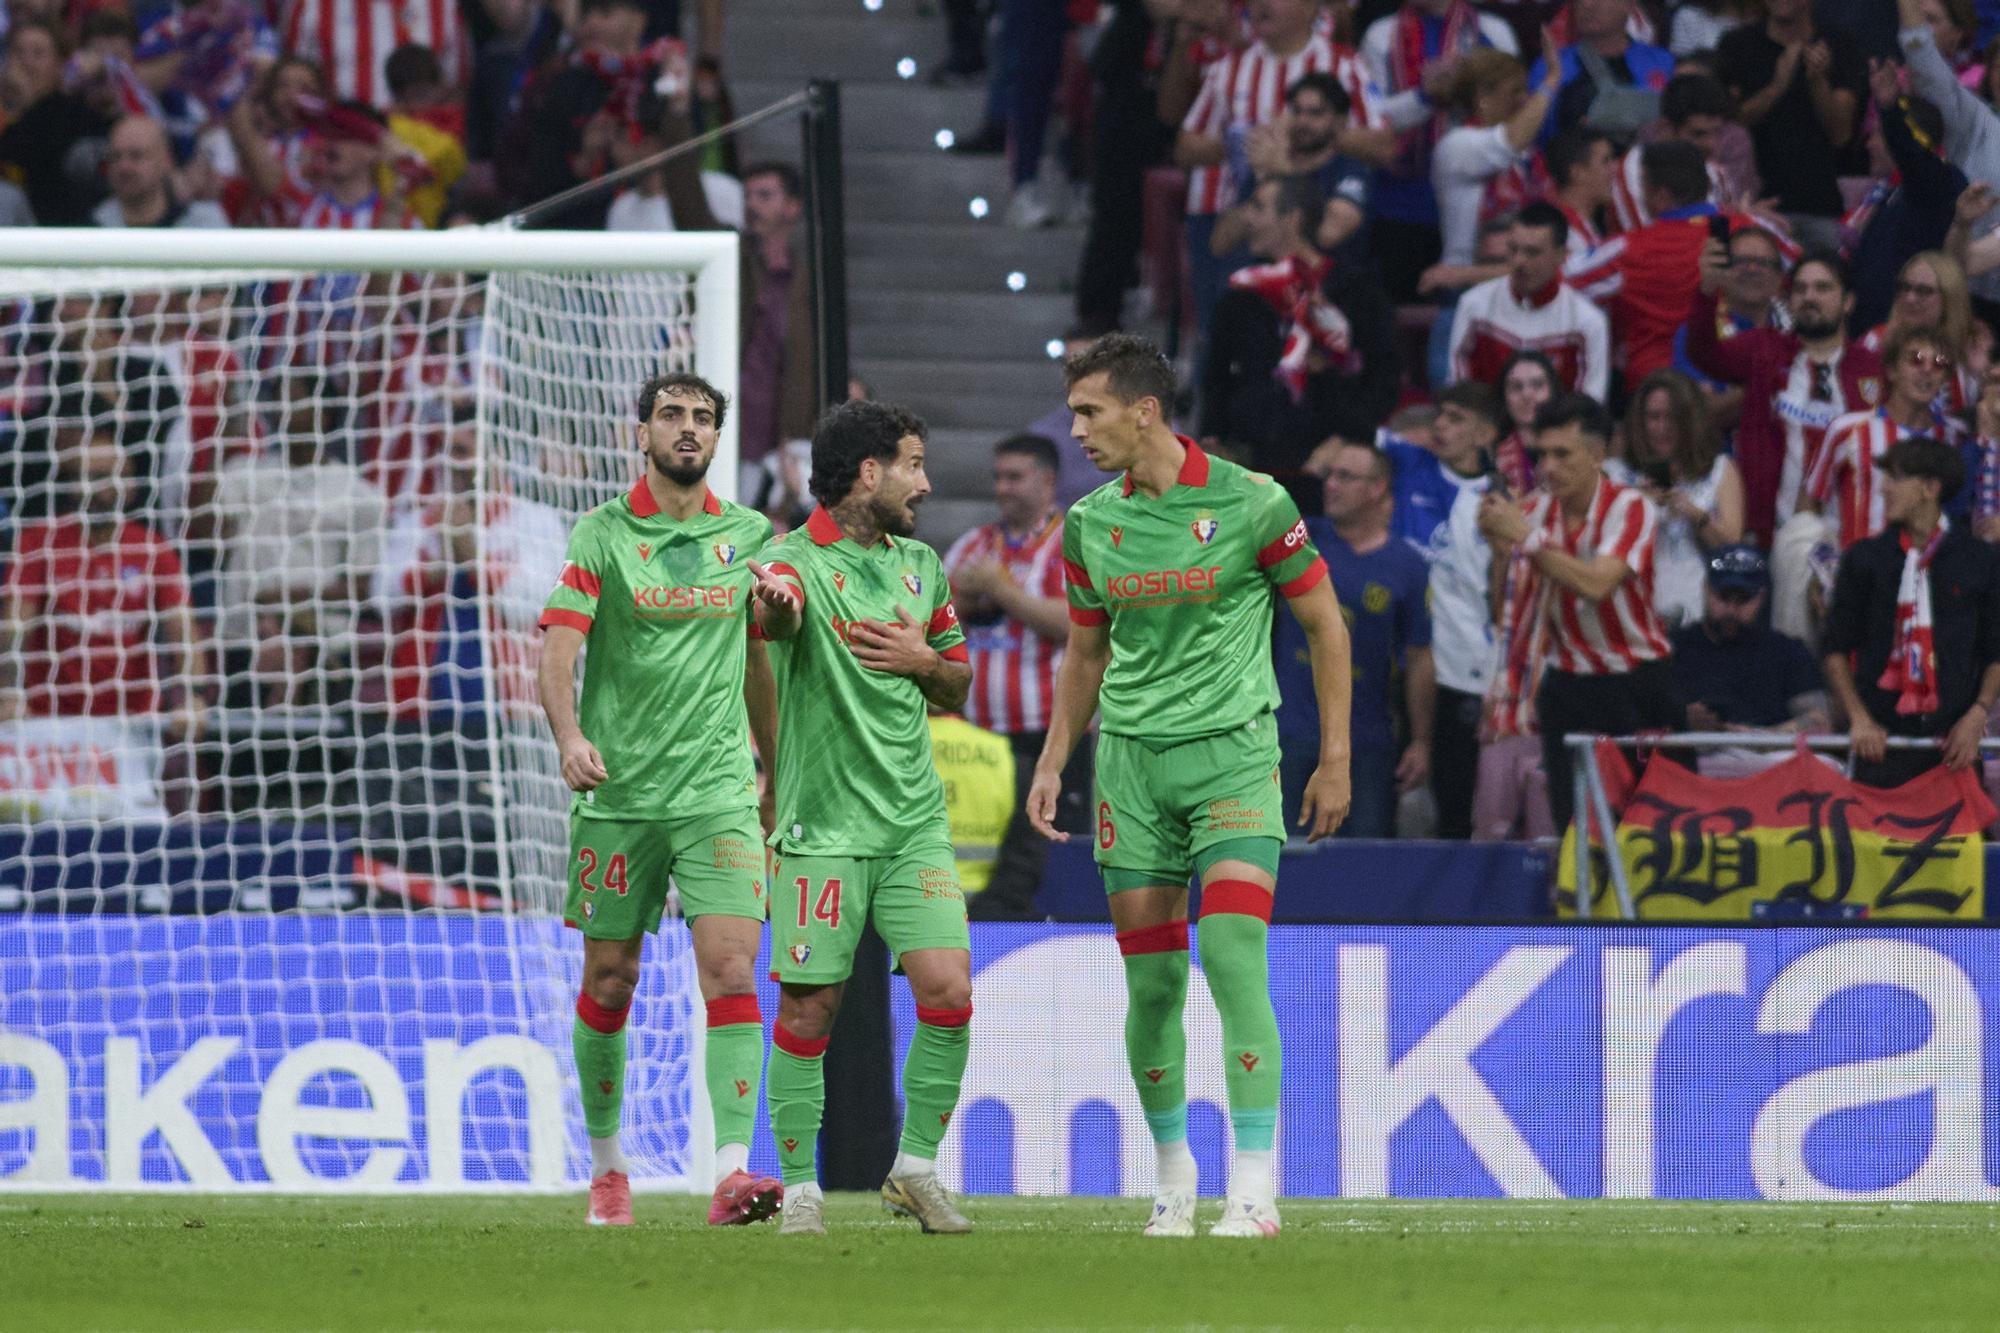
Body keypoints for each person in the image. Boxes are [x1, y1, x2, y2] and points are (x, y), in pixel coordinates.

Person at [1028, 333, 1351, 1237]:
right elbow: (1085, 652)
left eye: (1089, 412)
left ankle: (1254, 1184)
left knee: (1232, 952)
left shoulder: (1253, 502)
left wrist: (1335, 757)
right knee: (1155, 984)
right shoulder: (1091, 523)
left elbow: (1326, 626)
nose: (1077, 431)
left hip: (1235, 760)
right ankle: (1174, 1173)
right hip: (1130, 767)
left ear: (1145, 410)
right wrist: (1055, 759)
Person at [536, 373, 782, 1230]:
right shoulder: (602, 534)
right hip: (619, 796)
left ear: (717, 438)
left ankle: (729, 1171)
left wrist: (776, 772)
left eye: (703, 418)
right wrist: (570, 736)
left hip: (716, 793)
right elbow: (560, 648)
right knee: (612, 977)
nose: (688, 429)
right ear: (639, 432)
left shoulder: (749, 535)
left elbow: (760, 661)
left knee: (731, 970)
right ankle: (609, 1170)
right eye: (672, 415)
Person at [745, 399, 976, 1238]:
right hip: (823, 829)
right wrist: (774, 609)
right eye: (913, 464)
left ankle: (914, 1169)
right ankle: (801, 1188)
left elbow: (957, 681)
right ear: (870, 473)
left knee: (949, 993)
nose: (926, 482)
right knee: (810, 1011)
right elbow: (779, 615)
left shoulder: (921, 564)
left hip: (913, 824)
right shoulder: (791, 561)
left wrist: (926, 661)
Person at [1478, 394, 1678, 832]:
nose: (1547, 466)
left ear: (1597, 454)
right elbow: (1505, 612)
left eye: (1561, 453)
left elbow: (1596, 584)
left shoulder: (1631, 507)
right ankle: (1580, 901)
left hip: (1639, 682)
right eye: (1541, 454)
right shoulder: (1532, 511)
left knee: (1658, 822)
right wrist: (1499, 552)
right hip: (1568, 686)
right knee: (1573, 824)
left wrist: (1525, 541)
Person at [1175, 0, 1388, 336]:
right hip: (1243, 217)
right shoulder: (1228, 67)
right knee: (1223, 329)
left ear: (1309, 8)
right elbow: (1185, 145)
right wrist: (1242, 144)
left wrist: (1305, 139)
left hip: (1316, 220)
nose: (1260, 5)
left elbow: (1383, 143)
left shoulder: (1345, 65)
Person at [941, 433, 1079, 919]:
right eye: (999, 477)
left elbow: (1078, 625)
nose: (1003, 488)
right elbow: (931, 619)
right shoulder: (974, 545)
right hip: (975, 736)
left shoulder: (1074, 543)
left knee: (1036, 854)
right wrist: (966, 602)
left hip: (1048, 735)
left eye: (1015, 477)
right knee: (979, 853)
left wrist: (1002, 591)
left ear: (1047, 481)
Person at [0, 430, 206, 742]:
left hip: (131, 728)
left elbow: (184, 631)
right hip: (50, 723)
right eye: (85, 477)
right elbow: (14, 626)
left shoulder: (153, 549)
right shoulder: (37, 543)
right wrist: (9, 691)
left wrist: (192, 696)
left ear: (130, 485)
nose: (95, 489)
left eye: (105, 477)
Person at [1199, 175, 1396, 498]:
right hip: (1249, 475)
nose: (1247, 218)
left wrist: (1349, 439)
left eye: (1258, 207)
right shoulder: (1241, 294)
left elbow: (1383, 380)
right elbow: (1216, 378)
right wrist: (1214, 439)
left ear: (1292, 219)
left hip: (1327, 476)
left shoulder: (1358, 293)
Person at [1823, 434, 2000, 788]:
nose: (1884, 488)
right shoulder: (1865, 559)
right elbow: (1834, 650)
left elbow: (1996, 651)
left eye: (1896, 478)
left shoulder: (1981, 560)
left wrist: (1977, 716)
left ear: (1930, 488)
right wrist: (1859, 719)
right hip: (1879, 749)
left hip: (1956, 751)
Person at [1685, 245, 1882, 560]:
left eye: (1823, 288)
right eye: (1800, 289)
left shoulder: (1872, 367)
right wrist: (1707, 292)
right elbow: (1705, 355)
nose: (1809, 297)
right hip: (1769, 536)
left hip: (1850, 539)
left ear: (1848, 301)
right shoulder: (1764, 348)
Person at [1279, 441, 1432, 838]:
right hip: (1285, 735)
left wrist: (1421, 741)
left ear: (1377, 488)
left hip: (1366, 743)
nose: (1330, 485)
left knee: (1364, 871)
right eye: (1330, 475)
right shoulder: (1298, 541)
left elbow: (1419, 658)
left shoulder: (1409, 566)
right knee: (1277, 860)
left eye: (1345, 477)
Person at [1356, 0, 1519, 301]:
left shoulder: (1494, 31)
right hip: (1399, 204)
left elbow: (1511, 110)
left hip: (1478, 206)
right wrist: (1425, 97)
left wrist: (1462, 89)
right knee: (1400, 314)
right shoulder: (1381, 34)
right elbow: (1372, 119)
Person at [1566, 139, 1731, 383]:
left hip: (1656, 389)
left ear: (1661, 196)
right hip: (1732, 377)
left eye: (1643, 186)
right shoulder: (1752, 229)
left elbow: (1559, 279)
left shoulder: (1629, 249)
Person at [1424, 383, 1507, 839]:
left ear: (1485, 433)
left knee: (1459, 804)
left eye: (1455, 418)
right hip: (1411, 662)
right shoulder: (1410, 471)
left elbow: (1502, 600)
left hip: (1467, 669)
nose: (1440, 424)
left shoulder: (1497, 502)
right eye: (1440, 414)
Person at [1717, 0, 1865, 251]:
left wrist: (1818, 82)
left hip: (1820, 206)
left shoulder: (1840, 45)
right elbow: (1725, 127)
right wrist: (1776, 87)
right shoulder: (1736, 44)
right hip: (1752, 206)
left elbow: (1840, 134)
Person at [1672, 545, 1828, 778]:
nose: (1732, 609)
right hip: (1696, 761)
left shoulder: (1786, 650)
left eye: (1744, 599)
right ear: (1705, 589)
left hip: (1770, 763)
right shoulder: (1673, 648)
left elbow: (1820, 722)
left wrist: (1745, 735)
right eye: (1723, 597)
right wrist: (1683, 720)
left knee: (1824, 767)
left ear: (1762, 596)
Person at [1607, 369, 1745, 629]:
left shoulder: (1719, 470)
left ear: (1690, 420)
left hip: (1696, 610)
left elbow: (1733, 553)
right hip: (1628, 607)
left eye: (1673, 418)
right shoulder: (1616, 472)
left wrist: (1695, 514)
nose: (1662, 428)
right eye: (1653, 417)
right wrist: (1636, 506)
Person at [1807, 323, 1961, 552]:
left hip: (1926, 575)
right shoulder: (1847, 430)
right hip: (1857, 573)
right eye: (1916, 359)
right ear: (1891, 371)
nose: (1927, 369)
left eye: (1939, 363)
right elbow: (1812, 503)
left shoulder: (1954, 437)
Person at [1448, 200, 1611, 401]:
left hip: (1558, 430)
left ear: (1562, 256)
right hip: (1487, 428)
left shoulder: (1588, 321)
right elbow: (1459, 396)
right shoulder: (1474, 305)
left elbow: (1589, 409)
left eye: (1532, 252)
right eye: (1513, 249)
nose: (1519, 261)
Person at [1428, 39, 1563, 270]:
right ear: (1483, 97)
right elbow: (1509, 143)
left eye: (1526, 90)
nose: (1524, 100)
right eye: (1515, 91)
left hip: (1524, 274)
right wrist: (1550, 82)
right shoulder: (1457, 145)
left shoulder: (1527, 153)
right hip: (1467, 279)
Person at [1671, 222, 1786, 425]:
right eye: (1741, 261)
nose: (1752, 269)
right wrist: (1770, 382)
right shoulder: (1695, 334)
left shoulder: (1796, 333)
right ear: (1723, 271)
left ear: (1779, 278)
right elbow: (1698, 414)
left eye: (1763, 262)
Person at [1606, 73, 1739, 234]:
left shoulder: (1714, 172)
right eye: (1698, 134)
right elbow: (1645, 241)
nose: (1711, 144)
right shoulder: (1631, 172)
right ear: (1666, 128)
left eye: (1716, 132)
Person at [1530, 0, 1674, 145]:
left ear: (1629, 4)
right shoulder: (1549, 67)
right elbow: (1537, 138)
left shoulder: (1663, 62)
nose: (1587, 4)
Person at [928, 710, 1017, 898]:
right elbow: (1025, 853)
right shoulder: (1001, 750)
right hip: (990, 912)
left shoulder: (889, 749)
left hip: (908, 906)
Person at [93, 115, 229, 228]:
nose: (124, 166)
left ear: (165, 161)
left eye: (136, 155)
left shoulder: (205, 226)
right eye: (115, 157)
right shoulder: (93, 229)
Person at [1542, 124, 1617, 261]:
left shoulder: (1579, 225)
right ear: (1577, 173)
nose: (1615, 168)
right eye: (1605, 161)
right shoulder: (1565, 236)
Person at [1493, 347, 1559, 493]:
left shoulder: (1576, 449)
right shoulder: (1489, 456)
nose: (1527, 394)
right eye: (1516, 387)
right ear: (1504, 397)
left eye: (1537, 385)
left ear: (1553, 391)